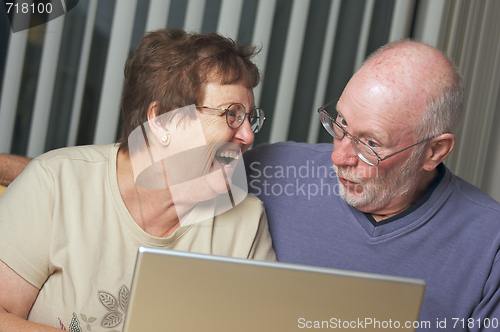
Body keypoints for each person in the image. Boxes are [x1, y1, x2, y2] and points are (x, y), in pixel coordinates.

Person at [0, 29, 275, 331]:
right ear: (163, 121)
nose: (248, 135)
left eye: (250, 117)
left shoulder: (246, 223)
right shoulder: (55, 185)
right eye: (232, 115)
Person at [244, 40, 500, 331]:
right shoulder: (268, 170)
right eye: (340, 123)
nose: (338, 157)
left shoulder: (491, 246)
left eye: (371, 144)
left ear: (434, 152)